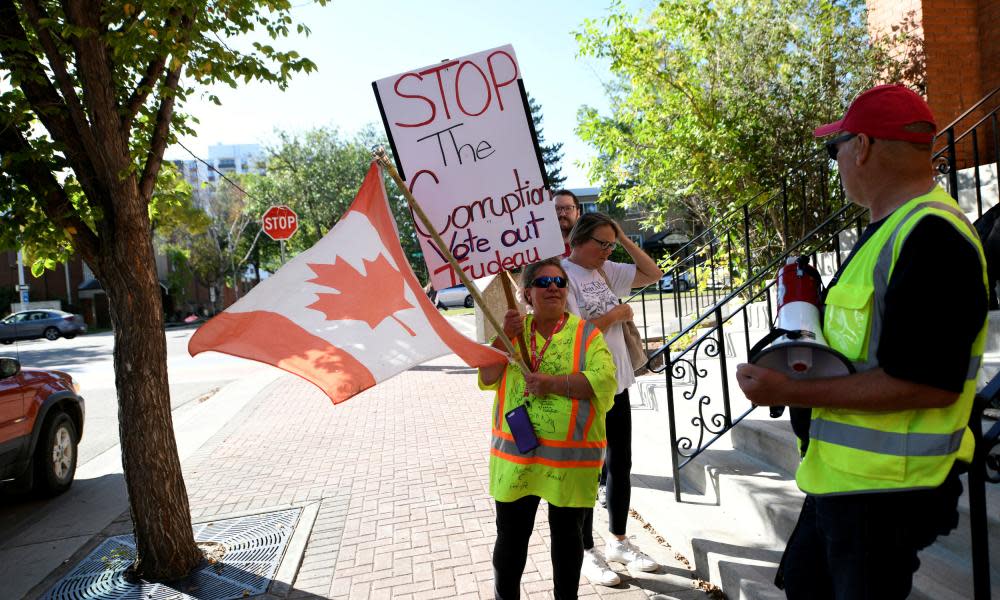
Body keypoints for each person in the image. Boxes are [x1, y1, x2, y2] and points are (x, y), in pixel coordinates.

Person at [736, 84, 988, 599]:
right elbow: (862, 351)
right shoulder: (892, 230)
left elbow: (926, 384)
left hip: (886, 495)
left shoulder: (931, 236)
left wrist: (789, 392)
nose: (838, 163)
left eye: (837, 149)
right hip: (849, 484)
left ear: (863, 148)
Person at [479, 257, 618, 600]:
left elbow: (605, 380)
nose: (553, 287)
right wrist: (504, 337)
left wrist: (553, 384)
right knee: (509, 547)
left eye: (559, 282)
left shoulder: (586, 333)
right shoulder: (512, 332)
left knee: (568, 546)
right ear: (527, 293)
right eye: (543, 283)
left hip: (568, 466)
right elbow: (487, 377)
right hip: (517, 463)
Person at [562, 212, 664, 585]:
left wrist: (623, 238)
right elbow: (570, 333)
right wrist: (615, 313)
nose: (606, 251)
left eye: (610, 244)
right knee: (588, 469)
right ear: (578, 240)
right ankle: (587, 550)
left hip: (618, 381)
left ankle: (619, 540)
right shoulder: (561, 275)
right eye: (600, 243)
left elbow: (653, 274)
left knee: (620, 463)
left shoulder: (604, 270)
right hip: (587, 385)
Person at [553, 189, 581, 257]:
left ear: (578, 213)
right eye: (557, 208)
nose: (562, 214)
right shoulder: (541, 249)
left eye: (568, 208)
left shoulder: (587, 246)